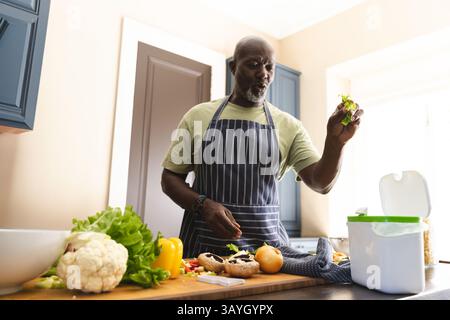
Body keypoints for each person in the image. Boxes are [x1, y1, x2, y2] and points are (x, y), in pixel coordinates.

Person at [161, 36, 363, 258]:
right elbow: (170, 178)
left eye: (269, 67)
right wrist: (202, 204)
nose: (263, 73)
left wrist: (335, 142)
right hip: (202, 255)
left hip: (268, 257)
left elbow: (320, 183)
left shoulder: (289, 125)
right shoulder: (197, 116)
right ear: (233, 66)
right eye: (254, 64)